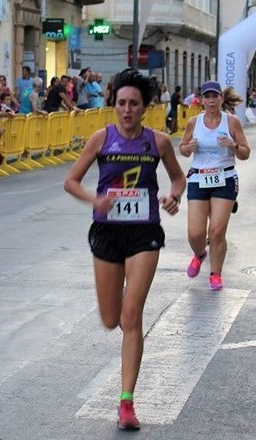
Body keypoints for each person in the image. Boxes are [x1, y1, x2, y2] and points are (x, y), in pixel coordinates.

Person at [63, 68, 185, 430]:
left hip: (144, 232)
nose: (127, 110)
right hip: (107, 233)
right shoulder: (102, 138)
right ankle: (126, 394)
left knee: (132, 317)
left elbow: (178, 177)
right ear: (113, 105)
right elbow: (70, 181)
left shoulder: (158, 142)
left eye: (134, 104)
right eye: (121, 103)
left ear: (145, 107)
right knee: (110, 319)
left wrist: (174, 197)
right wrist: (94, 199)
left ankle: (127, 403)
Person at [179, 80, 250, 290]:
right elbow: (182, 148)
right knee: (195, 233)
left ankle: (215, 274)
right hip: (199, 178)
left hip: (224, 178)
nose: (211, 101)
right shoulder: (194, 122)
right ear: (200, 100)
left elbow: (246, 153)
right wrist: (188, 148)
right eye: (206, 97)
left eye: (214, 96)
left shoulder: (232, 122)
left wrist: (233, 145)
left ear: (221, 98)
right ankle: (200, 254)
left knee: (217, 231)